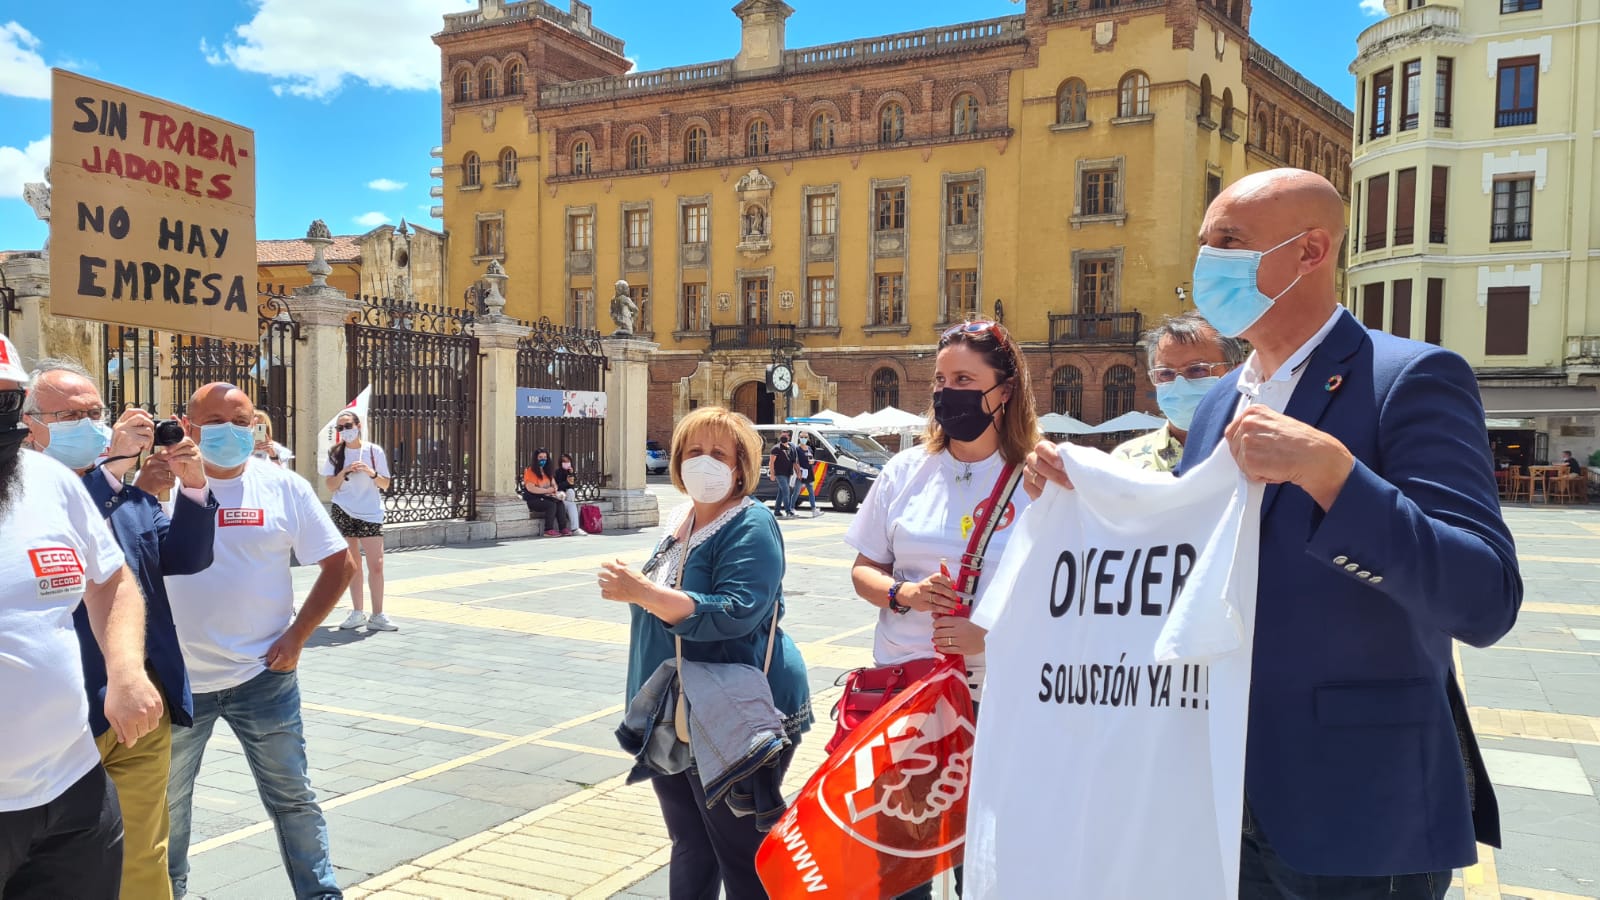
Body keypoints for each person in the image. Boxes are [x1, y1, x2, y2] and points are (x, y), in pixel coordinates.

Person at [1025, 169, 1521, 899]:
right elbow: (1189, 565)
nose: (1205, 263)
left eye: (1230, 241)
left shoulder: (1410, 378)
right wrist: (1095, 507)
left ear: (1310, 252)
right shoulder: (1215, 404)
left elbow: (1484, 597)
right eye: (1204, 243)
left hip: (1356, 805)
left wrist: (1338, 480)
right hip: (1217, 791)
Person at [844, 318, 1040, 900]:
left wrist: (989, 632)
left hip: (999, 706)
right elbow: (863, 569)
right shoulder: (904, 472)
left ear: (1004, 390)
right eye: (938, 378)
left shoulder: (1038, 480)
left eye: (963, 378)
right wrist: (900, 594)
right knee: (901, 872)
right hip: (909, 700)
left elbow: (1063, 599)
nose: (944, 392)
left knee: (991, 871)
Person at [22, 358, 217, 900]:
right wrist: (112, 468)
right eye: (73, 414)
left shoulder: (130, 500)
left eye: (95, 412)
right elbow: (75, 521)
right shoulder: (26, 495)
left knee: (141, 853)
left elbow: (187, 556)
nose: (90, 424)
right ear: (31, 422)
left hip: (136, 707)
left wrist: (195, 489)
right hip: (59, 714)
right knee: (58, 862)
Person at [597, 406, 811, 899]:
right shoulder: (682, 518)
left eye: (719, 453)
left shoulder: (750, 524)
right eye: (693, 451)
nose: (704, 462)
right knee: (690, 841)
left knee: (739, 852)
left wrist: (644, 593)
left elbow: (737, 611)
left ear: (741, 466)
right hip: (676, 711)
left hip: (731, 712)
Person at [164, 383, 356, 900]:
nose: (230, 432)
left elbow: (340, 564)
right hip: (177, 686)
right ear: (188, 427)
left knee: (293, 797)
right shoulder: (158, 490)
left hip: (263, 678)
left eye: (241, 421)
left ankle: (320, 894)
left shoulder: (283, 486)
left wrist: (298, 637)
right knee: (168, 806)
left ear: (257, 428)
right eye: (215, 421)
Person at [0, 335, 163, 898]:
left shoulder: (49, 482)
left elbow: (111, 579)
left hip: (74, 788)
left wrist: (125, 671)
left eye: (6, 400)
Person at [1112, 312, 1244, 473]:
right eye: (1165, 373)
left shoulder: (1260, 454)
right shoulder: (1125, 462)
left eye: (1197, 370)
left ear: (1236, 373)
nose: (1179, 385)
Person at [320, 412, 396, 632]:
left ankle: (378, 614)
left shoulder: (374, 451)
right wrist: (344, 471)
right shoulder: (335, 453)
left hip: (370, 512)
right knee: (353, 566)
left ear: (358, 425)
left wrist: (371, 473)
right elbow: (330, 486)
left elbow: (385, 484)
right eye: (340, 428)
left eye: (347, 425)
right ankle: (357, 612)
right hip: (344, 510)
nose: (344, 430)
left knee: (377, 564)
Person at [522, 448, 572, 536]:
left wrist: (554, 489)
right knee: (551, 505)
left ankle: (563, 528)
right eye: (540, 457)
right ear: (535, 459)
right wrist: (547, 490)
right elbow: (531, 488)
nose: (543, 460)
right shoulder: (530, 471)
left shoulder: (547, 471)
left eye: (545, 457)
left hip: (546, 496)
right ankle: (548, 529)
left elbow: (554, 485)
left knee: (559, 503)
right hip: (533, 498)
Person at [769, 432, 796, 518]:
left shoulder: (790, 448)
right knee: (786, 491)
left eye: (786, 435)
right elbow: (771, 462)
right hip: (779, 474)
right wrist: (772, 474)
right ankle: (788, 511)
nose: (784, 437)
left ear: (789, 437)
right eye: (782, 435)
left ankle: (777, 511)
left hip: (787, 473)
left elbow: (792, 460)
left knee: (781, 492)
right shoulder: (776, 449)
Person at [555, 451, 583, 534]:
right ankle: (573, 523)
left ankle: (575, 529)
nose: (566, 463)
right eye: (564, 461)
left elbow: (572, 486)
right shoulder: (557, 472)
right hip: (559, 496)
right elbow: (557, 487)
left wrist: (572, 474)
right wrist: (566, 482)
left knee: (571, 493)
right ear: (560, 463)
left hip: (568, 497)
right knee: (571, 503)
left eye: (568, 461)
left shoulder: (570, 472)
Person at [793, 434, 818, 515]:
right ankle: (791, 508)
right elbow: (795, 462)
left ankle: (814, 509)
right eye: (802, 437)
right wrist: (798, 472)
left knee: (811, 491)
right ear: (799, 438)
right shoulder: (797, 449)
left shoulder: (809, 448)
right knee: (796, 492)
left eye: (805, 437)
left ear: (808, 438)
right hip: (801, 473)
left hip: (809, 473)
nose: (803, 439)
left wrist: (813, 461)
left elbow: (811, 458)